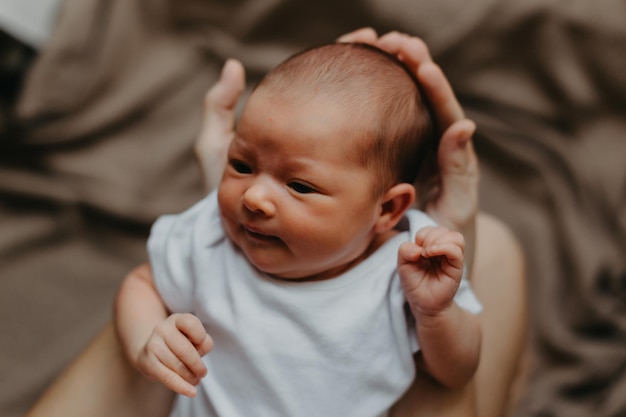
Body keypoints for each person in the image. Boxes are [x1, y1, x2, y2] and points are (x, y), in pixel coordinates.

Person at [25, 29, 527, 417]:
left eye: (300, 186)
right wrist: (145, 336)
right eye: (241, 165)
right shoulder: (212, 237)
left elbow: (456, 371)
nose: (256, 197)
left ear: (388, 210)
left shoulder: (409, 266)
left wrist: (437, 314)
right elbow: (141, 281)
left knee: (499, 250)